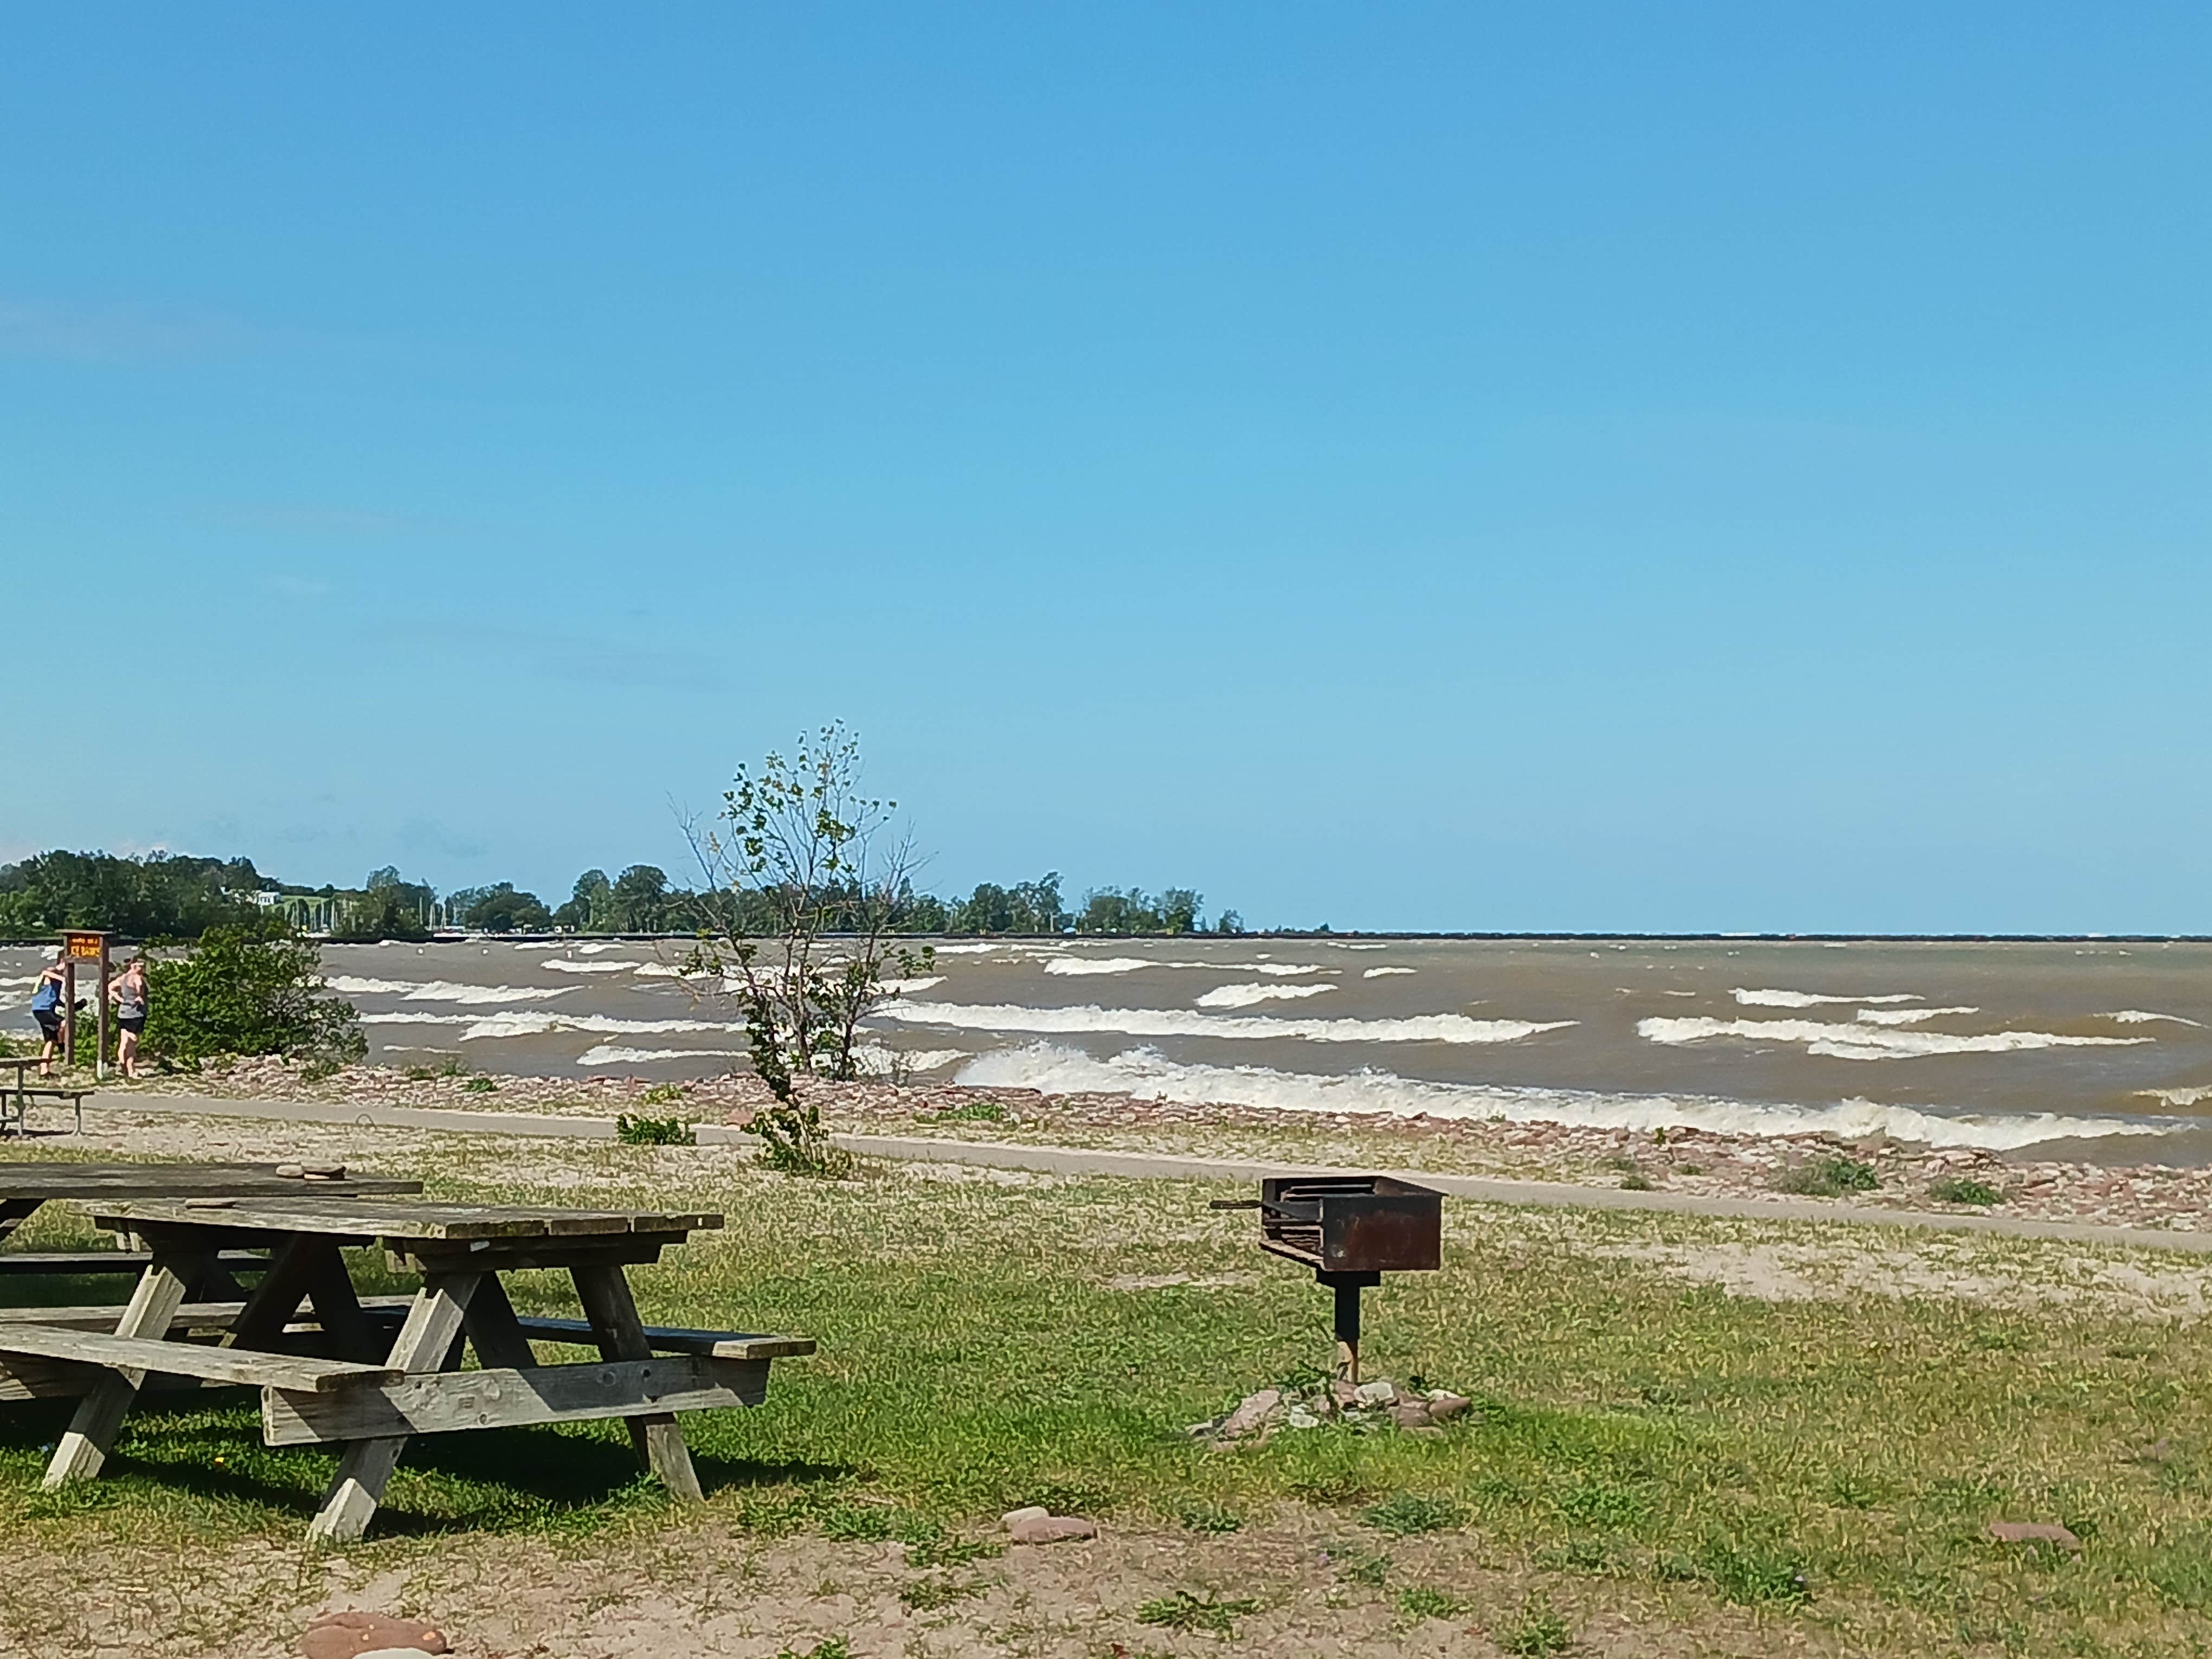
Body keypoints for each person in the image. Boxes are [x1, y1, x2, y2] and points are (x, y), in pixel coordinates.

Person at [108, 957, 150, 1081]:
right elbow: (140, 988)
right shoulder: (138, 978)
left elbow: (110, 987)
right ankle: (130, 1070)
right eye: (140, 966)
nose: (142, 969)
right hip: (135, 1013)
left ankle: (124, 1067)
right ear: (133, 966)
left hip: (123, 1013)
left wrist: (118, 998)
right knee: (132, 1043)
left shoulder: (122, 978)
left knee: (124, 1043)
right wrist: (140, 996)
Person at [28, 950, 67, 1077]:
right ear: (62, 962)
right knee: (63, 1022)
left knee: (51, 1041)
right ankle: (63, 1046)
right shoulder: (53, 972)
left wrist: (71, 1006)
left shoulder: (59, 982)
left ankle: (44, 1070)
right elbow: (45, 972)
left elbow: (55, 999)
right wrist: (61, 977)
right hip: (42, 1010)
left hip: (48, 1010)